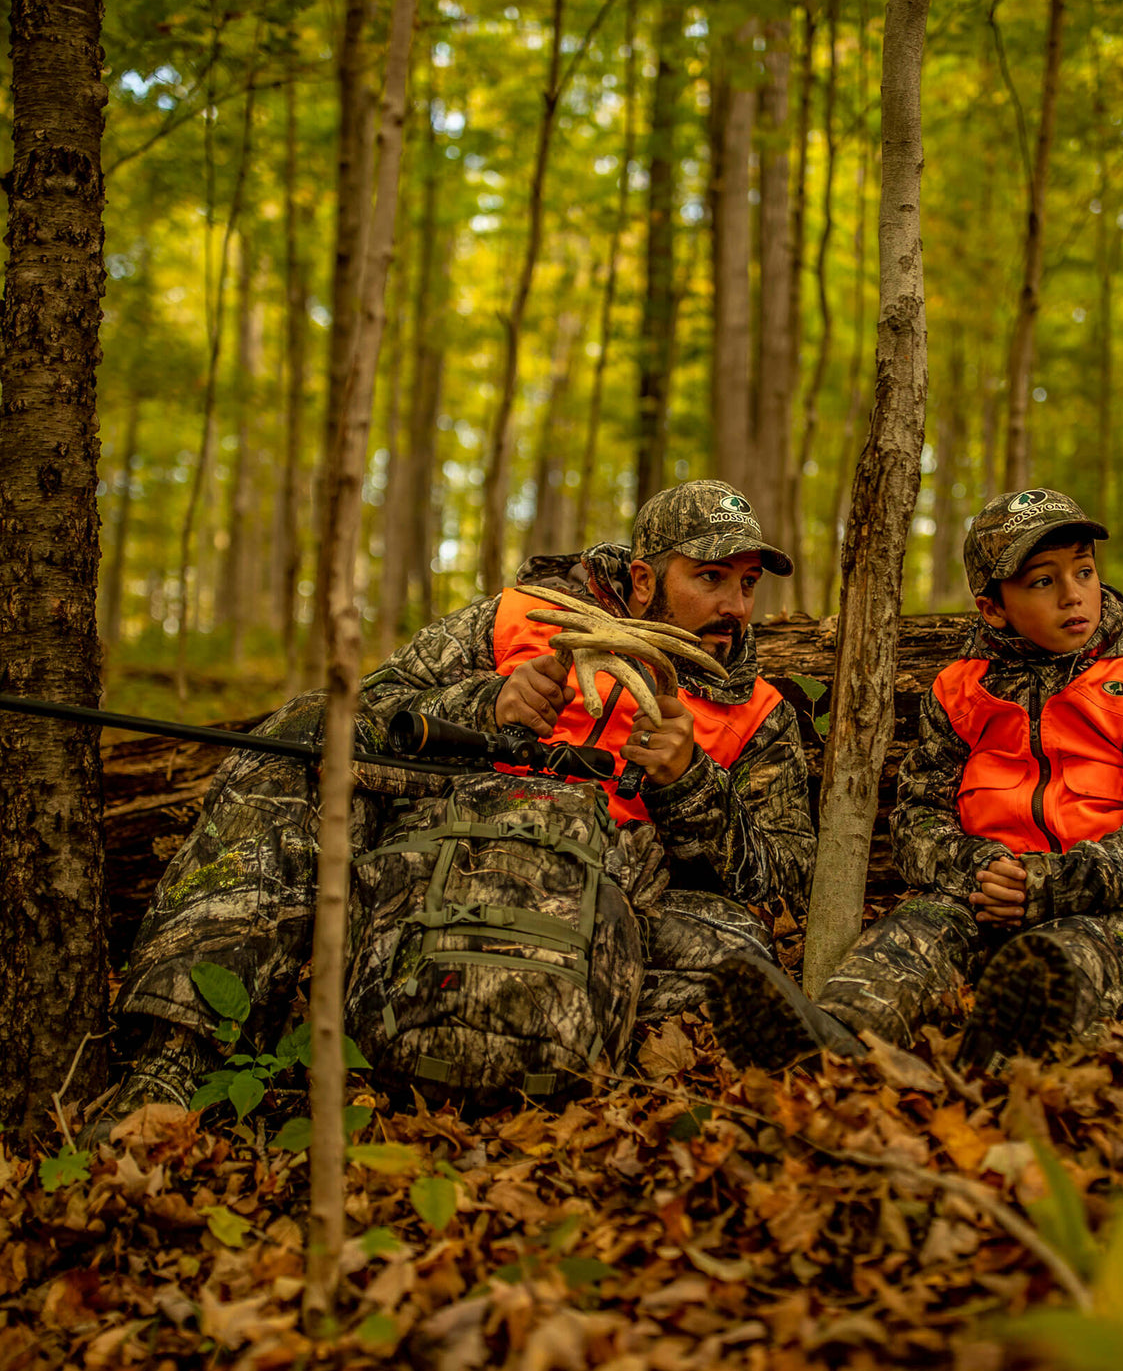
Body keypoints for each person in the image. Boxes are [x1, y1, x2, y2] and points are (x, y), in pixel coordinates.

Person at [101, 480, 815, 1122]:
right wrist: (485, 704)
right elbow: (357, 719)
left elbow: (784, 881)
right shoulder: (519, 619)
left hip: (612, 907)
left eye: (748, 585)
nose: (735, 607)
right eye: (712, 577)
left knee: (736, 950)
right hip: (436, 869)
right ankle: (174, 1061)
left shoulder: (758, 712)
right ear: (640, 577)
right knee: (295, 739)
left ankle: (589, 1079)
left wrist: (690, 785)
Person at [710, 487, 1123, 1071]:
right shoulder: (960, 692)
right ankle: (830, 1036)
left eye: (1084, 571)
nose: (1074, 594)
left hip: (1113, 899)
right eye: (1042, 581)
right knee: (903, 945)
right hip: (980, 889)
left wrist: (1056, 883)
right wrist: (975, 868)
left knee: (1061, 963)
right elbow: (918, 814)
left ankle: (998, 1056)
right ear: (993, 607)